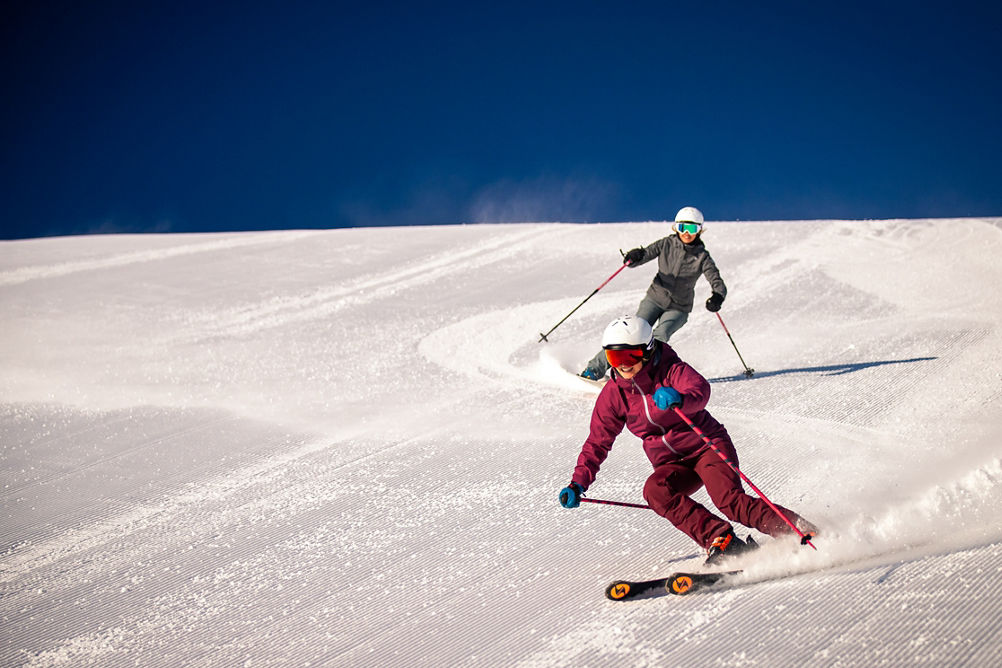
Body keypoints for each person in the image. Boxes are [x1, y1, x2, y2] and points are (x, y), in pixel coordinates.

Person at [560, 315, 816, 564]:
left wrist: (681, 399)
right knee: (655, 491)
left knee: (730, 501)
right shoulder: (614, 395)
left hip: (706, 446)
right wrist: (578, 483)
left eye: (631, 356)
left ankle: (798, 530)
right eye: (615, 357)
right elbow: (597, 442)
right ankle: (721, 539)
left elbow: (700, 389)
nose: (623, 365)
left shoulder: (671, 369)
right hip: (672, 464)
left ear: (647, 351)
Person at [580, 206, 727, 381]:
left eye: (692, 228)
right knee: (630, 333)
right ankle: (594, 369)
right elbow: (645, 255)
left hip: (679, 308)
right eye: (682, 228)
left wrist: (717, 296)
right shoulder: (666, 244)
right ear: (676, 228)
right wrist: (634, 256)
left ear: (700, 230)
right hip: (655, 298)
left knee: (660, 336)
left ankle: (640, 375)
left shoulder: (703, 257)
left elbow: (717, 281)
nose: (687, 233)